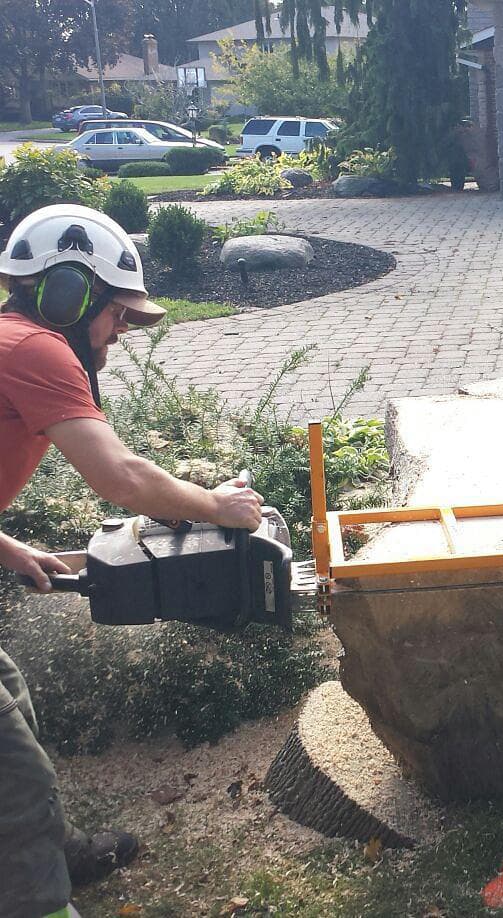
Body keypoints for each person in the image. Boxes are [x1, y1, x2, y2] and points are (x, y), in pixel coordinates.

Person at [0, 205, 265, 918]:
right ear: (68, 293)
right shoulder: (33, 348)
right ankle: (37, 901)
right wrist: (215, 505)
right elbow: (121, 477)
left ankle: (49, 857)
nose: (119, 335)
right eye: (117, 316)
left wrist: (5, 545)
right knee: (11, 776)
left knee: (10, 699)